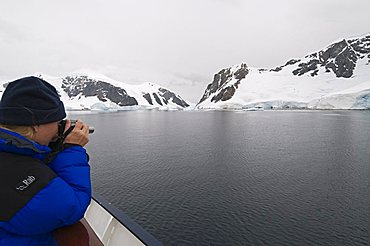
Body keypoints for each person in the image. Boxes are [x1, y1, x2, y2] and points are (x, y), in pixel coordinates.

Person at [0, 76, 91, 245]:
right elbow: (72, 207)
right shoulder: (18, 171)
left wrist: (52, 150)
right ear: (35, 125)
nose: (59, 131)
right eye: (57, 123)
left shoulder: (13, 153)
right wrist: (72, 150)